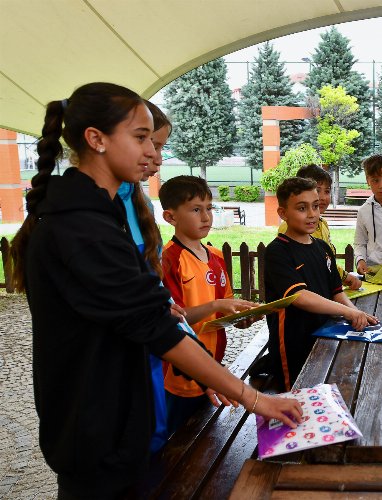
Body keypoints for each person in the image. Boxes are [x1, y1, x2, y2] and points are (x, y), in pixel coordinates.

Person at [10, 82, 301, 498]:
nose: (153, 151)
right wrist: (255, 399)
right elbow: (155, 328)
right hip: (95, 427)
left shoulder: (100, 215)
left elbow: (153, 313)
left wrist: (209, 371)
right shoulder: (81, 228)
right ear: (97, 139)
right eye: (141, 137)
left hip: (118, 418)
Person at [159, 175, 259, 435]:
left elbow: (222, 309)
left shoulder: (215, 256)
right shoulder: (169, 259)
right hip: (181, 374)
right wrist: (218, 304)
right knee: (176, 438)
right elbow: (174, 319)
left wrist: (241, 317)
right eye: (195, 209)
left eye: (209, 208)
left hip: (213, 366)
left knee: (204, 435)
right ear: (170, 217)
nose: (206, 217)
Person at [266, 177, 378, 390]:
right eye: (302, 208)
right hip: (292, 345)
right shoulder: (278, 251)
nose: (312, 214)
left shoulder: (322, 248)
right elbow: (299, 296)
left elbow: (336, 291)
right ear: (283, 213)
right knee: (296, 398)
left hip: (325, 337)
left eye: (315, 206)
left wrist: (356, 314)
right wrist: (349, 313)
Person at [116, 100, 173, 453]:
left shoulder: (140, 203)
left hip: (148, 352)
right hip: (121, 365)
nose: (156, 156)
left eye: (160, 146)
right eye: (146, 140)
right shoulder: (90, 217)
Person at [279, 164, 362, 290]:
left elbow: (327, 260)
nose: (322, 197)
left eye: (327, 191)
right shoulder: (290, 228)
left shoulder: (323, 224)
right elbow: (316, 264)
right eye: (317, 190)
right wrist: (344, 276)